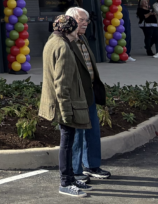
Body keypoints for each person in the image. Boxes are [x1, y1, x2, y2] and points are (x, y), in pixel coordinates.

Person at [40, 15, 93, 197]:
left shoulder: (52, 42)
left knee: (68, 142)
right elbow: (61, 83)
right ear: (69, 30)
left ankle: (70, 178)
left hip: (60, 102)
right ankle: (65, 182)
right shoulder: (63, 47)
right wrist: (65, 110)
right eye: (76, 27)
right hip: (65, 104)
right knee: (67, 143)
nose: (79, 30)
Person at [65, 8, 112, 182]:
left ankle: (92, 166)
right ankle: (76, 171)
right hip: (76, 94)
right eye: (81, 20)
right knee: (77, 133)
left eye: (87, 20)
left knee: (92, 131)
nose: (85, 23)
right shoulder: (66, 42)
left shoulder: (82, 39)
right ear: (70, 20)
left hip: (89, 91)